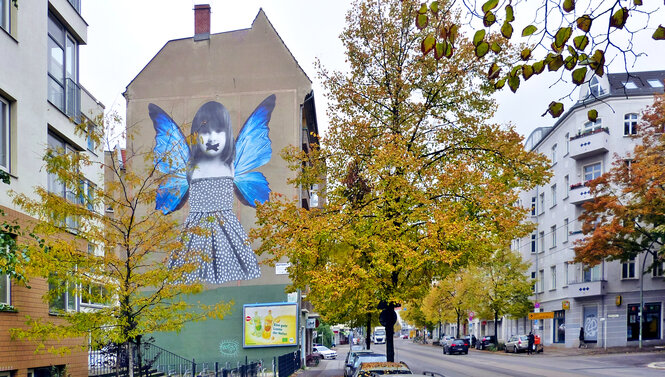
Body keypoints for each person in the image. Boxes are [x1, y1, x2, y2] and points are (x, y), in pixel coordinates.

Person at [150, 97, 275, 284]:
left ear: (228, 133)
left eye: (219, 131)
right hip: (195, 230)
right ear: (195, 135)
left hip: (227, 226)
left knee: (232, 261)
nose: (212, 138)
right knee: (191, 267)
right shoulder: (190, 167)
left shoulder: (231, 165)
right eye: (205, 132)